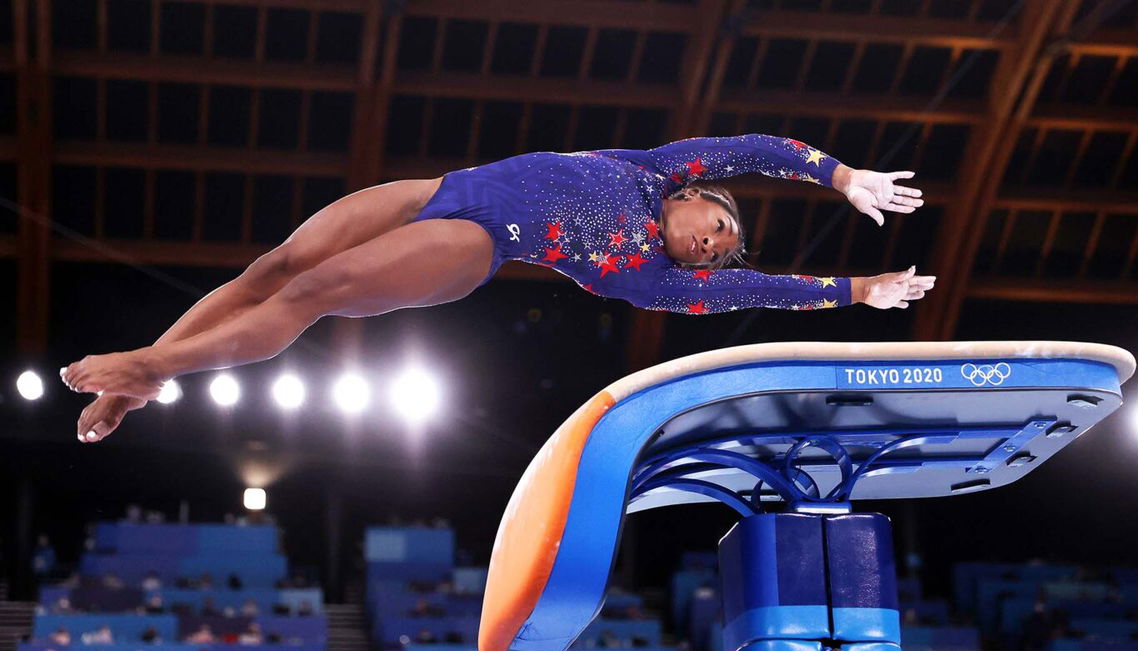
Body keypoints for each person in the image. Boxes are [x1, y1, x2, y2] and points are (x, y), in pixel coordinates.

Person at [61, 134, 933, 440]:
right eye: (718, 226)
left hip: (477, 238)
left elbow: (771, 294)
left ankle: (150, 367)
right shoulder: (656, 168)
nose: (711, 246)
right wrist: (842, 175)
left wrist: (859, 290)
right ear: (696, 195)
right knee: (271, 268)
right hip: (444, 185)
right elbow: (755, 148)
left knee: (314, 288)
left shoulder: (661, 281)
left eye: (719, 253)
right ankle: (153, 371)